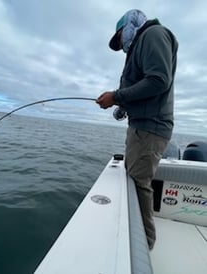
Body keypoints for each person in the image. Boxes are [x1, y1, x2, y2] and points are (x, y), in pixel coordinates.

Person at [96, 9, 178, 250]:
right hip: (141, 128)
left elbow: (158, 80)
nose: (120, 44)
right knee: (135, 179)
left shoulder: (152, 34)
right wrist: (122, 105)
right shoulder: (142, 43)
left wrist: (116, 96)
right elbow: (145, 85)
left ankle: (144, 244)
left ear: (129, 26)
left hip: (150, 129)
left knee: (139, 183)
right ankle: (139, 237)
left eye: (119, 37)